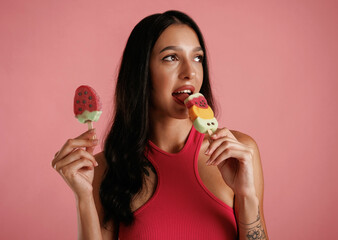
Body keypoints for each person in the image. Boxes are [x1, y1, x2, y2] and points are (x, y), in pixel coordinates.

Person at [52, 10, 268, 240]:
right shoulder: (106, 168)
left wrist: (246, 195)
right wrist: (84, 198)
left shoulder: (240, 153)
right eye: (171, 58)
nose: (190, 72)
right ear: (142, 73)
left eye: (197, 58)